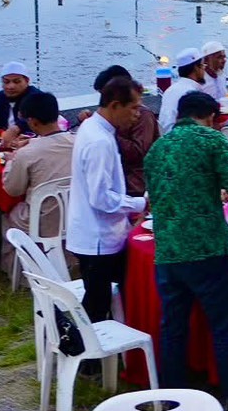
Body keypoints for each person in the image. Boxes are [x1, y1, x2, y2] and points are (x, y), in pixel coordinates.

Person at [143, 90, 228, 411]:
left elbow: (153, 198)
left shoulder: (157, 149)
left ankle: (171, 400)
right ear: (210, 117)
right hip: (207, 248)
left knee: (173, 329)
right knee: (224, 326)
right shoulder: (212, 141)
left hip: (168, 251)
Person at [67, 74, 149, 323]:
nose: (138, 115)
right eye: (133, 108)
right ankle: (76, 345)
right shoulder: (99, 141)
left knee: (103, 299)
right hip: (98, 238)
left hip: (97, 232)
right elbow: (100, 198)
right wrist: (140, 204)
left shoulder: (93, 127)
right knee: (96, 308)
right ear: (115, 106)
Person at [1, 90, 76, 262]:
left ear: (33, 122)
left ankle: (16, 266)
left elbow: (12, 190)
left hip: (41, 220)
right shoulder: (78, 142)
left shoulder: (27, 154)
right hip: (75, 215)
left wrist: (11, 161)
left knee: (8, 214)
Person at [86, 64, 160, 195]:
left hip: (137, 186)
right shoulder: (97, 128)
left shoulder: (143, 116)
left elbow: (139, 153)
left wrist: (110, 132)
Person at [0, 60, 40, 135]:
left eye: (17, 82)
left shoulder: (37, 98)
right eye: (6, 82)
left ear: (27, 81)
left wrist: (16, 129)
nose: (11, 86)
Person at [158, 48, 206, 133]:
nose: (204, 69)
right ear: (196, 68)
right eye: (203, 65)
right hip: (180, 136)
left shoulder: (171, 89)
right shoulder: (191, 93)